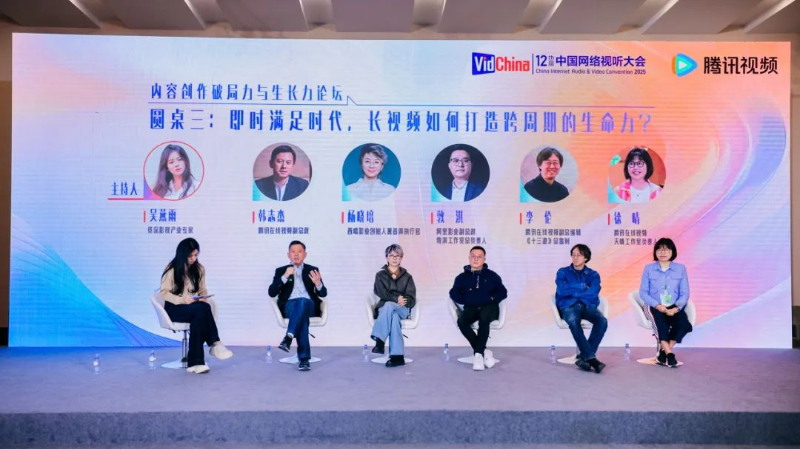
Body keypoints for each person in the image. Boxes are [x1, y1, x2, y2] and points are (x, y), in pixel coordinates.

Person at [159, 238, 233, 374]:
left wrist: (203, 297)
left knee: (200, 313)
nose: (193, 259)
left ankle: (196, 364)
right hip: (174, 308)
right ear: (182, 254)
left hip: (192, 307)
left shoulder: (199, 269)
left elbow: (202, 289)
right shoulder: (171, 269)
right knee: (202, 309)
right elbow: (164, 293)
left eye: (196, 255)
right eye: (190, 256)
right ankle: (215, 344)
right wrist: (182, 300)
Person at [270, 240, 327, 371]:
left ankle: (289, 337)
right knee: (302, 318)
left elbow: (323, 293)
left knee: (302, 301)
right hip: (289, 306)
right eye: (293, 251)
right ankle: (304, 359)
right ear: (288, 254)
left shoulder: (312, 270)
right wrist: (285, 276)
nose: (296, 254)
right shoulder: (281, 271)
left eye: (299, 251)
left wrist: (318, 284)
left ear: (305, 254)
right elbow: (271, 292)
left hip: (309, 305)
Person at [449, 246, 507, 371]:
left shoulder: (492, 275)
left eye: (479, 257)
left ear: (484, 259)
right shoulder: (461, 277)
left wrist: (491, 298)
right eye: (473, 256)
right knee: (462, 321)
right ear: (469, 258)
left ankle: (478, 356)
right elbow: (453, 293)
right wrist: (466, 299)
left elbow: (503, 292)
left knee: (484, 318)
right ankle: (483, 351)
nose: (476, 259)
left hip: (489, 307)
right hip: (472, 307)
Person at [639, 238, 692, 368]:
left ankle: (662, 352)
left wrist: (676, 308)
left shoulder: (680, 269)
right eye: (659, 250)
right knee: (661, 325)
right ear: (655, 252)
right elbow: (643, 292)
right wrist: (658, 306)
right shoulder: (649, 268)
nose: (662, 253)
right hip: (654, 305)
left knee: (685, 325)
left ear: (672, 252)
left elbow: (685, 293)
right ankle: (670, 354)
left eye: (666, 250)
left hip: (674, 305)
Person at [554, 244, 607, 373]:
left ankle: (584, 358)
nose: (575, 257)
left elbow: (593, 292)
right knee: (573, 321)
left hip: (587, 305)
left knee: (602, 321)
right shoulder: (563, 272)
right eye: (573, 255)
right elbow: (562, 291)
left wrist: (574, 291)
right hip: (569, 305)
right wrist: (583, 286)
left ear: (586, 258)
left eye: (579, 255)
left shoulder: (593, 275)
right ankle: (591, 359)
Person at [370, 244, 417, 367]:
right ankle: (398, 357)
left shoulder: (407, 277)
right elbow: (380, 292)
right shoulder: (380, 275)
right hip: (384, 309)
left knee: (391, 307)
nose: (394, 258)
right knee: (393, 316)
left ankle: (379, 341)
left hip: (402, 308)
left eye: (397, 256)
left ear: (401, 258)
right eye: (391, 255)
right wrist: (396, 298)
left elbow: (412, 298)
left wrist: (405, 300)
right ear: (387, 257)